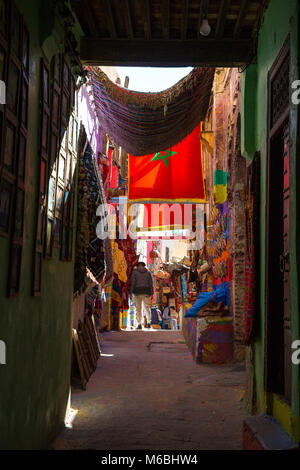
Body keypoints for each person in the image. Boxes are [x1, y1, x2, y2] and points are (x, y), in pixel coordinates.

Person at [130, 261, 154, 329]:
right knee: (147, 308)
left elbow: (133, 283)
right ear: (144, 266)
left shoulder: (134, 272)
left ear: (138, 266)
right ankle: (149, 322)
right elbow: (151, 284)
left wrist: (131, 292)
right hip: (146, 292)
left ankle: (139, 324)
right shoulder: (148, 273)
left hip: (137, 292)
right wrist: (152, 293)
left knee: (138, 309)